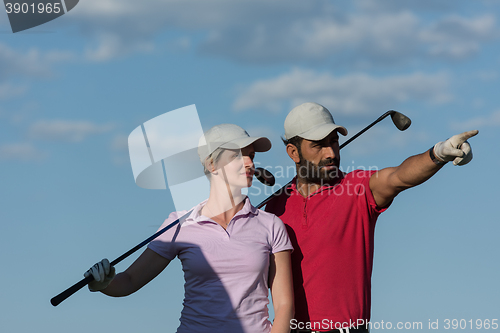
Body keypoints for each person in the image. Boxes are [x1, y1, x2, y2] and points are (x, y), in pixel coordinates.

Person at [264, 102, 478, 333]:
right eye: (319, 145)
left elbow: (398, 176)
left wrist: (438, 153)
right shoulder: (275, 207)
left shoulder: (357, 188)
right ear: (293, 152)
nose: (331, 153)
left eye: (334, 142)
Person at [85, 124, 294, 333]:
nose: (249, 162)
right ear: (212, 164)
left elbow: (284, 306)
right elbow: (130, 281)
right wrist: (105, 283)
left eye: (250, 155)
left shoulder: (270, 224)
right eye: (237, 156)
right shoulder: (180, 225)